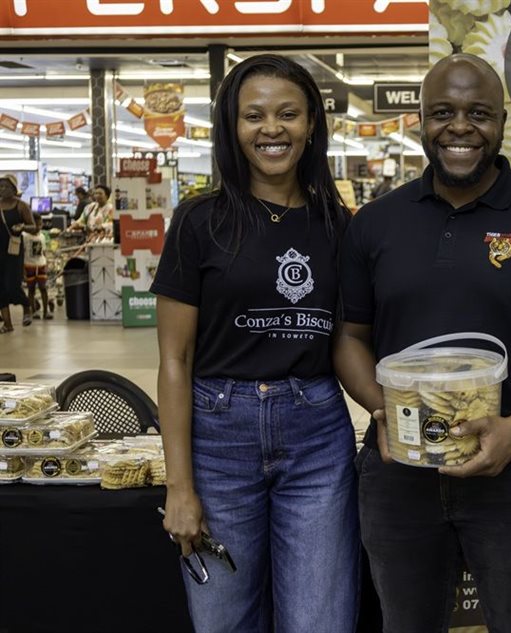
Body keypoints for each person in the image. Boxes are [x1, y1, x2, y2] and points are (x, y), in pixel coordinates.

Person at [335, 53, 511, 633]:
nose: (460, 128)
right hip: (400, 472)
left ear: (503, 122)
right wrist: (383, 410)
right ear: (420, 120)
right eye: (442, 113)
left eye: (479, 113)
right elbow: (350, 339)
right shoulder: (375, 224)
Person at [150, 54, 359, 633]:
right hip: (218, 436)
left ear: (312, 123)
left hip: (317, 433)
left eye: (288, 114)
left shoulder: (337, 224)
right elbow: (174, 359)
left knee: (322, 619)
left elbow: (343, 340)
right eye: (254, 116)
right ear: (231, 128)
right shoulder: (199, 221)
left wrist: (387, 405)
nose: (272, 129)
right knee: (222, 619)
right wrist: (180, 486)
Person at [0, 174, 34, 332]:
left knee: (13, 284)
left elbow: (34, 227)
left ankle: (27, 306)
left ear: (13, 188)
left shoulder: (21, 206)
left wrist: (22, 228)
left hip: (13, 250)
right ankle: (7, 323)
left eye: (5, 186)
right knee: (0, 288)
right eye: (0, 186)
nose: (2, 189)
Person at [23, 212, 51, 320]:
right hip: (29, 266)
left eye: (40, 225)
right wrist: (23, 270)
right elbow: (22, 254)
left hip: (41, 265)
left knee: (43, 288)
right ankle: (33, 311)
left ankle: (45, 311)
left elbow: (43, 252)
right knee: (31, 290)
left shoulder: (42, 236)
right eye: (36, 225)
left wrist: (46, 264)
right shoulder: (25, 237)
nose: (39, 227)